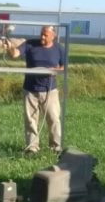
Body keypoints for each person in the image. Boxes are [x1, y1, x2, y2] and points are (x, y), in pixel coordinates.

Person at [4, 25, 66, 154]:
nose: (42, 37)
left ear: (53, 36)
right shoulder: (30, 44)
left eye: (45, 35)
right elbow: (15, 54)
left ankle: (56, 147)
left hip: (50, 90)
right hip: (30, 89)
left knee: (54, 119)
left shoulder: (59, 48)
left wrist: (55, 70)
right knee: (31, 120)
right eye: (41, 34)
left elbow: (64, 67)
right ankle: (32, 148)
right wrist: (9, 47)